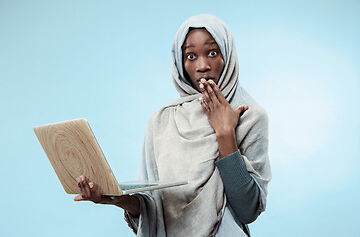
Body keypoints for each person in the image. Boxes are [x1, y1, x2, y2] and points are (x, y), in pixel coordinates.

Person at [74, 14, 271, 237]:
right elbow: (153, 206)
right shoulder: (161, 121)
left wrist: (225, 134)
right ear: (180, 62)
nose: (202, 66)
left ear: (228, 54)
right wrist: (114, 198)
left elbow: (248, 210)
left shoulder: (251, 116)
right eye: (191, 56)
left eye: (212, 52)